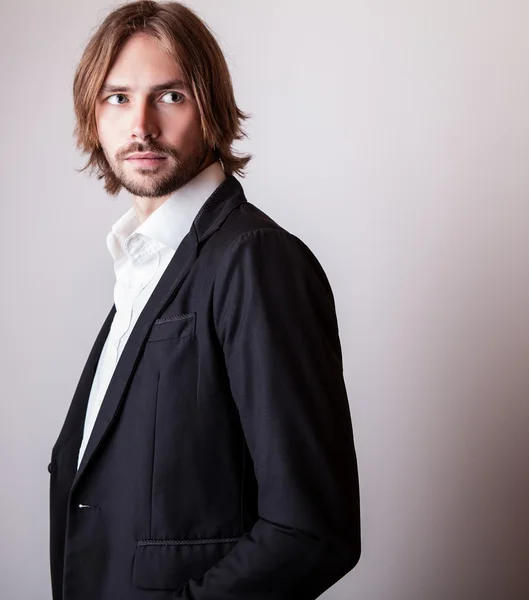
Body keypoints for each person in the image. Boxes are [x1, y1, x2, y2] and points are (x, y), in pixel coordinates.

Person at [48, 1, 361, 598]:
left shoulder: (255, 259)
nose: (141, 124)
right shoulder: (142, 265)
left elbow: (311, 531)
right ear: (94, 118)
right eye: (117, 98)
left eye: (170, 96)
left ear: (210, 108)